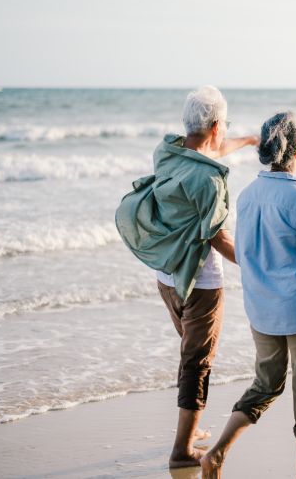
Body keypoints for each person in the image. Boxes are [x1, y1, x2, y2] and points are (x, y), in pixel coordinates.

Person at [201, 111, 296, 479]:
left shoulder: (248, 196)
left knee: (266, 384)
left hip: (261, 310)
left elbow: (247, 252)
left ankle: (217, 453)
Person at [115, 86, 259, 468]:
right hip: (201, 286)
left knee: (188, 354)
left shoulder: (167, 153)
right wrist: (256, 261)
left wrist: (246, 140)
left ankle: (189, 429)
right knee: (199, 362)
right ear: (215, 126)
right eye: (224, 126)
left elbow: (205, 155)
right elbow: (218, 238)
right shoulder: (210, 182)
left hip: (167, 279)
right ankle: (182, 451)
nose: (224, 131)